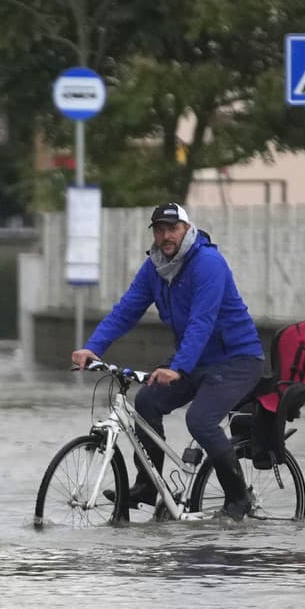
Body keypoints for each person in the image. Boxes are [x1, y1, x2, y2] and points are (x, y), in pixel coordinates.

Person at [70, 202, 265, 520]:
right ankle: (148, 485)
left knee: (200, 420)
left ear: (187, 229)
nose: (165, 236)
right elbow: (126, 310)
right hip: (194, 359)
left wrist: (178, 368)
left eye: (172, 228)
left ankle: (238, 498)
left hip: (236, 359)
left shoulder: (208, 263)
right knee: (146, 401)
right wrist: (92, 348)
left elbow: (202, 321)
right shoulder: (155, 268)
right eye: (159, 230)